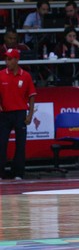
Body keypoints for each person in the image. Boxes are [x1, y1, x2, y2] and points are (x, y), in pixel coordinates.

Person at [0, 49, 36, 180]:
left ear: (16, 60)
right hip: (4, 114)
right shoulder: (1, 75)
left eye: (10, 59)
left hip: (20, 113)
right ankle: (1, 172)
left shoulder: (25, 76)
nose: (7, 62)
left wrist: (30, 114)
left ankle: (18, 173)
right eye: (6, 59)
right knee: (1, 143)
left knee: (20, 144)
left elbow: (31, 96)